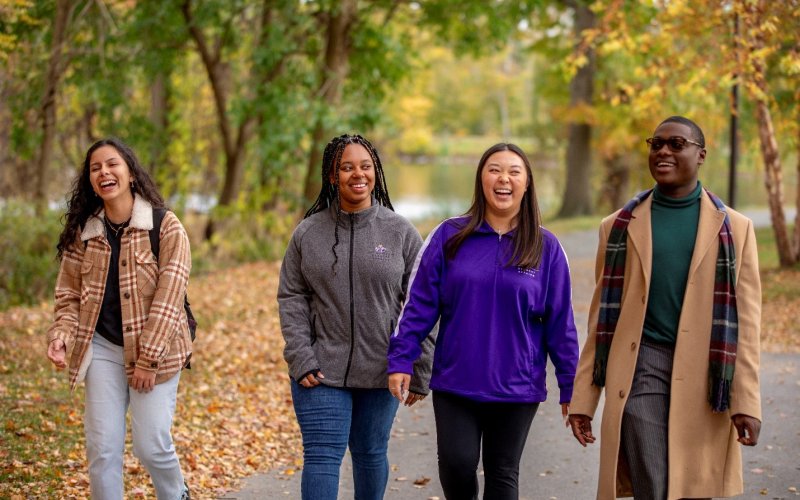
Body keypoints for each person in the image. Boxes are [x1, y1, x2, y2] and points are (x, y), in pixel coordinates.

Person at [568, 116, 762, 500]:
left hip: (707, 373)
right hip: (641, 367)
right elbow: (601, 322)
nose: (663, 152)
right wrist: (584, 400)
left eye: (676, 144)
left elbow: (747, 324)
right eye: (656, 144)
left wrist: (747, 402)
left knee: (694, 488)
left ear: (701, 154)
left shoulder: (735, 230)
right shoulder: (618, 226)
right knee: (652, 484)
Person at [388, 143, 580, 499]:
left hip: (517, 386)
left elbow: (561, 325)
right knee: (457, 465)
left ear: (527, 183)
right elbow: (418, 305)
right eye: (494, 169)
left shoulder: (546, 247)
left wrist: (571, 385)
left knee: (503, 473)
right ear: (481, 178)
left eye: (514, 171)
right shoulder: (449, 236)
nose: (503, 178)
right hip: (456, 381)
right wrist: (402, 359)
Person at [277, 134, 433, 500]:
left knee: (370, 454)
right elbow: (292, 296)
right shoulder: (308, 233)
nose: (357, 175)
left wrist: (419, 366)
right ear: (333, 176)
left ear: (375, 172)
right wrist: (301, 356)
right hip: (321, 370)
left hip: (383, 370)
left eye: (365, 166)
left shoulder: (399, 232)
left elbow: (422, 302)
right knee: (321, 456)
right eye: (346, 167)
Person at [46, 138, 192, 499]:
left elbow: (170, 299)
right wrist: (61, 335)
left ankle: (176, 494)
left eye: (112, 164)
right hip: (103, 349)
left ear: (130, 173)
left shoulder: (165, 227)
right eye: (95, 168)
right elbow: (68, 296)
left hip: (155, 352)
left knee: (150, 446)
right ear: (90, 181)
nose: (104, 172)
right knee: (103, 449)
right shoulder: (86, 233)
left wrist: (148, 359)